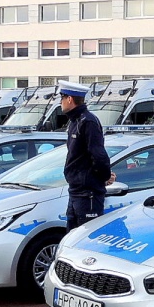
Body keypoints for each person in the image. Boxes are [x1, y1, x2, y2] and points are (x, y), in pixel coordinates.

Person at [60, 80, 114, 230]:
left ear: (69, 99)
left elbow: (98, 155)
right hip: (76, 191)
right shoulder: (74, 122)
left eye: (62, 98)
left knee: (87, 237)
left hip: (87, 194)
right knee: (72, 236)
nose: (61, 103)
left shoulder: (88, 121)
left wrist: (104, 176)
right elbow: (77, 158)